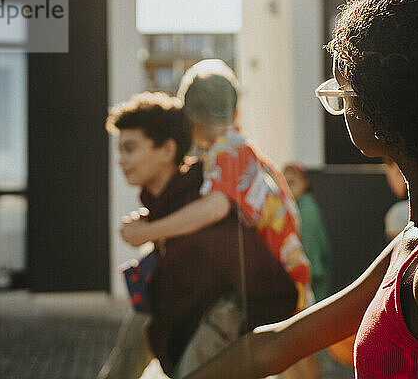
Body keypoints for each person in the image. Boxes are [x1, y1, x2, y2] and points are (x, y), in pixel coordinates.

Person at [183, 0, 418, 377]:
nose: (339, 104)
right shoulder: (413, 246)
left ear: (390, 106)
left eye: (344, 92)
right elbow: (274, 344)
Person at [105, 92, 298, 378]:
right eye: (119, 150)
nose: (121, 160)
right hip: (187, 320)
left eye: (130, 148)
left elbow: (268, 284)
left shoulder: (199, 204)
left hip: (223, 321)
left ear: (168, 151)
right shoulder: (168, 204)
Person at [120, 60, 314, 311]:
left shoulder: (227, 149)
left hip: (281, 287)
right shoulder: (238, 148)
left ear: (191, 121)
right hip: (285, 279)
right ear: (235, 112)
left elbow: (215, 208)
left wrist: (149, 232)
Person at [283, 163, 331, 302]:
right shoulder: (296, 206)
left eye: (292, 182)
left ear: (305, 183)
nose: (288, 188)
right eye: (284, 183)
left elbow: (311, 257)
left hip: (312, 284)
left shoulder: (307, 210)